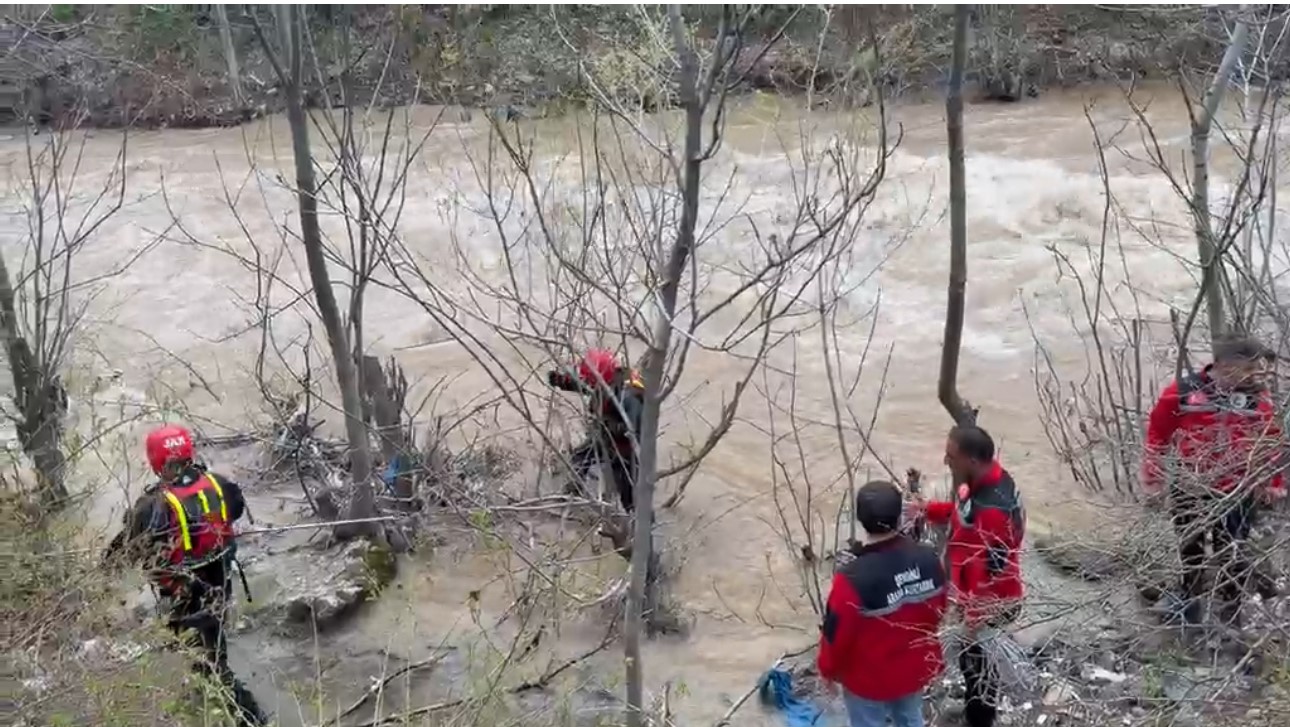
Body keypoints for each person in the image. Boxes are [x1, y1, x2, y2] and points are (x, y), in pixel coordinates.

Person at [103, 424, 265, 727]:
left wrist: (103, 577)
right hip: (220, 586)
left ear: (155, 462)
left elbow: (125, 553)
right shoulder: (219, 485)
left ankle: (249, 717)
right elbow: (236, 513)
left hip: (184, 598)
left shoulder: (150, 506)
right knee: (212, 648)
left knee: (209, 665)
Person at [1142, 335, 1285, 628]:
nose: (1248, 377)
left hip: (1236, 490)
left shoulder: (1257, 401)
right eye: (1242, 370)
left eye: (1251, 370)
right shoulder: (1182, 392)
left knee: (1233, 551)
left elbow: (1271, 444)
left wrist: (1272, 483)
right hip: (1190, 484)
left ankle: (1231, 614)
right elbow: (1157, 435)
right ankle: (1189, 602)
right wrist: (1153, 478)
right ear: (1221, 366)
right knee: (1190, 548)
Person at [913, 425, 1025, 727]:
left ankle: (980, 720)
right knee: (973, 661)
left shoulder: (992, 510)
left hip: (991, 602)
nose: (946, 461)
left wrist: (972, 618)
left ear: (972, 461)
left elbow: (986, 573)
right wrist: (928, 511)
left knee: (976, 667)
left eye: (951, 456)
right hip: (991, 594)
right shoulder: (995, 481)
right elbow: (965, 512)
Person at [818, 480, 948, 727]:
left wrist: (827, 670)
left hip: (869, 679)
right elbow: (939, 610)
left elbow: (836, 634)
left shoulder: (852, 578)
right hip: (915, 667)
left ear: (860, 519)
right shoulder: (929, 559)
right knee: (911, 719)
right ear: (899, 517)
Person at [546, 348, 644, 513]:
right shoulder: (608, 378)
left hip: (625, 447)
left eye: (591, 378)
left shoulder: (630, 395)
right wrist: (562, 381)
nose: (590, 383)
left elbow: (635, 429)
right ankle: (572, 496)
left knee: (629, 494)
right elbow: (588, 386)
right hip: (606, 434)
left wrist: (606, 425)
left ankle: (639, 525)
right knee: (580, 457)